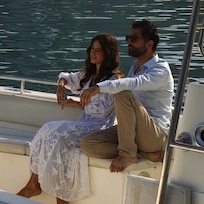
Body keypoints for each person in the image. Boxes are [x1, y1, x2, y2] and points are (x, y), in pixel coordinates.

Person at [17, 34, 122, 203]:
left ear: (108, 53)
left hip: (100, 126)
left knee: (59, 136)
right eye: (92, 49)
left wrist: (77, 104)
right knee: (46, 129)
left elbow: (103, 111)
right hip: (85, 122)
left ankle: (57, 197)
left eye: (98, 50)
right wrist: (61, 88)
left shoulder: (114, 80)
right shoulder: (88, 75)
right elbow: (66, 77)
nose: (93, 53)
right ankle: (33, 184)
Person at [79, 19, 174, 172]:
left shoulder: (160, 69)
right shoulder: (135, 66)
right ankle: (144, 155)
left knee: (122, 94)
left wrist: (98, 87)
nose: (129, 42)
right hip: (132, 131)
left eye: (134, 39)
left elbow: (134, 83)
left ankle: (128, 154)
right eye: (128, 38)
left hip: (154, 135)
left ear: (149, 44)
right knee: (88, 145)